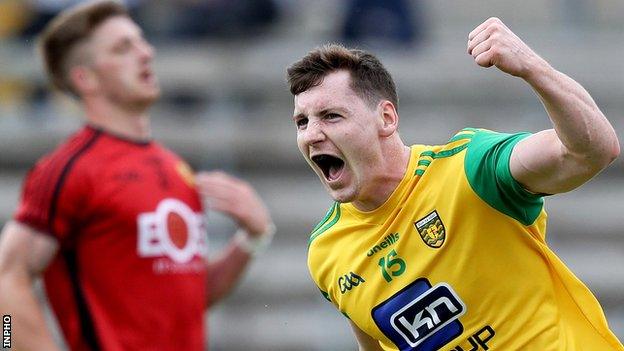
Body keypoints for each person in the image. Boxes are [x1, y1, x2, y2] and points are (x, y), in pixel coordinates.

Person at [286, 17, 623, 351]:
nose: (312, 135)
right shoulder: (327, 251)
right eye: (302, 122)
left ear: (386, 119)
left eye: (332, 116)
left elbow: (590, 153)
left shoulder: (470, 167)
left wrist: (531, 67)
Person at [0, 1, 274, 350]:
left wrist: (251, 239)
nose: (146, 53)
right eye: (122, 48)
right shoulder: (68, 169)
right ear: (85, 77)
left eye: (141, 42)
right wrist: (7, 343)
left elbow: (186, 299)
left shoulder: (176, 169)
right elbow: (7, 278)